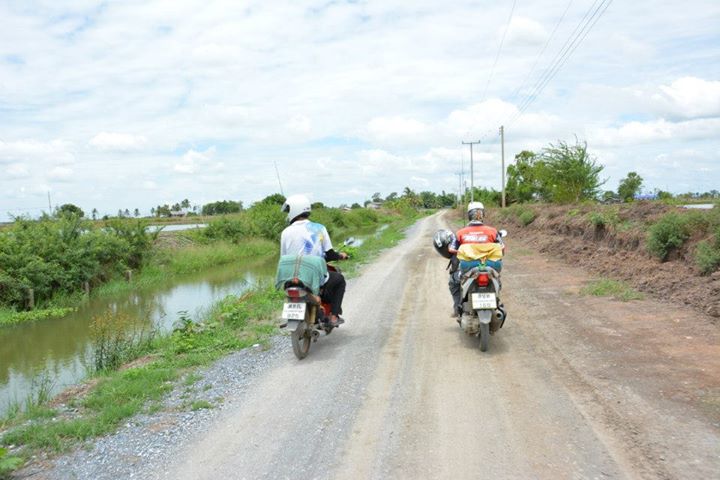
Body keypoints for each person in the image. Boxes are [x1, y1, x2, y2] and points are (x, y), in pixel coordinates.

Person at [279, 194, 349, 327]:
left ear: (294, 210)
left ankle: (296, 314)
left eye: (288, 210)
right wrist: (340, 256)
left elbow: (284, 258)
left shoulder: (285, 232)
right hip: (313, 277)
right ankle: (333, 316)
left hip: (290, 277)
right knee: (339, 280)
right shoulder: (319, 228)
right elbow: (329, 255)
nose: (287, 214)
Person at [447, 201, 504, 317]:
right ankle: (496, 299)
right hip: (492, 265)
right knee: (497, 279)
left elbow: (451, 250)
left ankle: (457, 309)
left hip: (468, 266)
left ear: (469, 215)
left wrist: (466, 251)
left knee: (453, 281)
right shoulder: (493, 231)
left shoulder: (460, 233)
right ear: (483, 214)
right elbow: (502, 248)